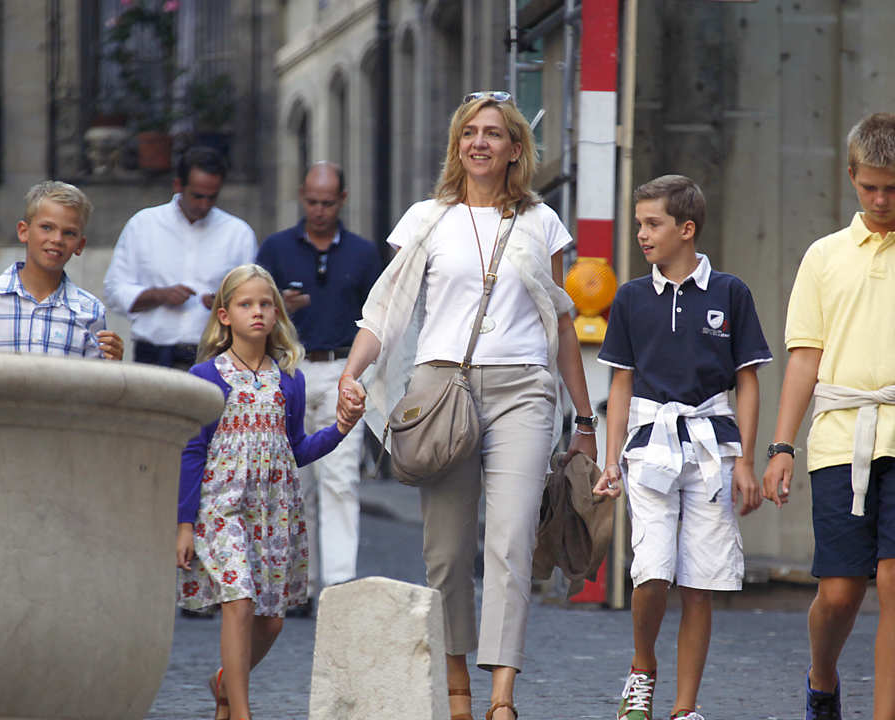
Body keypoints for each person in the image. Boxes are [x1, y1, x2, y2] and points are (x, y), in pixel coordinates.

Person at [334, 91, 597, 720]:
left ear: (513, 149)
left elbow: (561, 324)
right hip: (440, 391)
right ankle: (458, 693)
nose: (480, 142)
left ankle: (501, 699)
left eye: (494, 133)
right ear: (459, 145)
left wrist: (584, 421)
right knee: (447, 552)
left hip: (522, 391)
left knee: (507, 541)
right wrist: (352, 372)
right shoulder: (427, 219)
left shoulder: (542, 224)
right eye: (470, 132)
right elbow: (387, 312)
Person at [761, 113, 895, 720]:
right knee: (839, 590)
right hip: (840, 437)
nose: (881, 200)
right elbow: (804, 359)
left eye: (893, 187)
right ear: (851, 177)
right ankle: (822, 676)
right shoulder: (823, 257)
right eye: (869, 187)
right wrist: (782, 446)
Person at [591, 174, 771, 720]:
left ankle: (684, 707)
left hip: (713, 447)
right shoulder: (629, 298)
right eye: (639, 223)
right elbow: (619, 383)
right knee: (653, 571)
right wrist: (610, 460)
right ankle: (642, 666)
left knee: (700, 581)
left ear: (686, 229)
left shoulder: (731, 293)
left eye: (653, 224)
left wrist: (745, 459)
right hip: (648, 446)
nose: (642, 234)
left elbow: (747, 381)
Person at [175, 264, 364, 720]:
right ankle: (241, 711)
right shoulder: (206, 375)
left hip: (275, 510)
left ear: (277, 313)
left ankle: (225, 682)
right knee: (237, 601)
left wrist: (340, 428)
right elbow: (192, 451)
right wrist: (184, 523)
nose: (257, 312)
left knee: (271, 621)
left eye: (265, 304)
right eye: (246, 304)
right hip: (221, 506)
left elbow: (294, 449)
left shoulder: (289, 378)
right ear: (225, 315)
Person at [256, 161, 382, 596]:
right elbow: (249, 312)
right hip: (289, 371)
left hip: (343, 369)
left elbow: (379, 320)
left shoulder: (364, 254)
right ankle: (299, 584)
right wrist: (277, 310)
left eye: (328, 202)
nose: (319, 210)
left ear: (342, 200)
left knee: (341, 476)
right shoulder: (274, 249)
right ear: (300, 196)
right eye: (312, 201)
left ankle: (339, 585)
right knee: (293, 480)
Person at [0, 180, 124, 361]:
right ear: (24, 231)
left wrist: (112, 360)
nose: (57, 239)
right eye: (47, 227)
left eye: (69, 233)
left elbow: (95, 378)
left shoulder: (90, 310)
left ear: (80, 245)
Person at [104, 146, 256, 370]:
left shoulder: (238, 233)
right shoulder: (144, 224)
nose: (204, 205)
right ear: (178, 186)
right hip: (153, 353)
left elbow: (253, 301)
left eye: (211, 197)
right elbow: (114, 291)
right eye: (197, 196)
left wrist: (224, 303)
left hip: (215, 355)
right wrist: (158, 295)